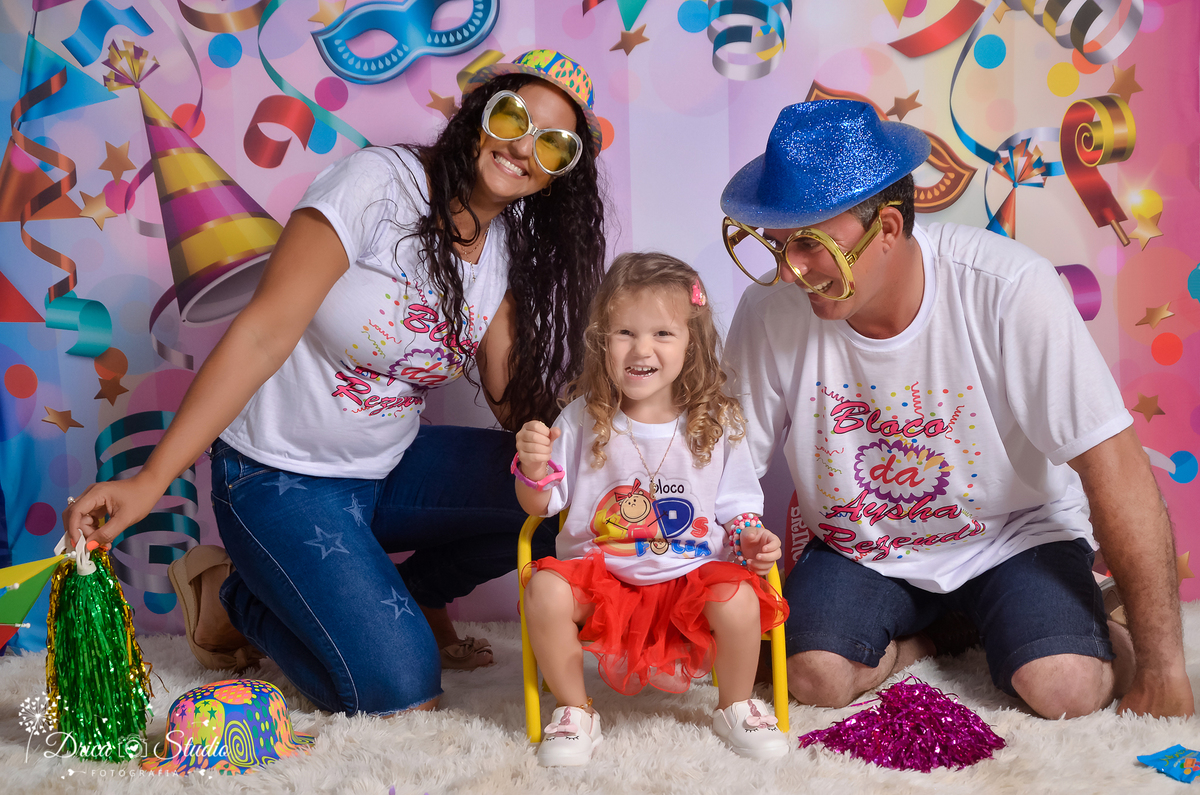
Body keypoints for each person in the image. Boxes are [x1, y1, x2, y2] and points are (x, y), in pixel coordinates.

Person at [61, 49, 607, 715]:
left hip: (388, 466)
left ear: (557, 177)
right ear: (477, 114)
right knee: (401, 690)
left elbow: (508, 396)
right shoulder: (378, 184)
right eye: (513, 117)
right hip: (278, 477)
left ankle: (409, 594)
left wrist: (612, 443)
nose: (524, 148)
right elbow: (263, 332)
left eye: (552, 145)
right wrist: (148, 482)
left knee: (571, 501)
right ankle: (232, 593)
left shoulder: (499, 250)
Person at [720, 100, 1194, 720]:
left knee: (1067, 690)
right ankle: (940, 635)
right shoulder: (769, 310)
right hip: (860, 545)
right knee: (813, 677)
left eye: (810, 246)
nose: (787, 272)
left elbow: (1115, 466)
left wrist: (1163, 669)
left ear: (887, 228)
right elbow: (724, 469)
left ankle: (1085, 614)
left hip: (1014, 535)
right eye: (776, 245)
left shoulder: (1007, 289)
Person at [515, 253, 790, 766]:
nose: (641, 349)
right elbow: (541, 504)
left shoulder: (716, 419)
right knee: (545, 589)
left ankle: (735, 703)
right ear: (602, 341)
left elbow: (738, 504)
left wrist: (752, 537)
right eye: (624, 333)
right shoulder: (582, 417)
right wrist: (533, 468)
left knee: (740, 599)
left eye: (662, 334)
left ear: (693, 344)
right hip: (601, 578)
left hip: (689, 575)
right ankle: (575, 710)